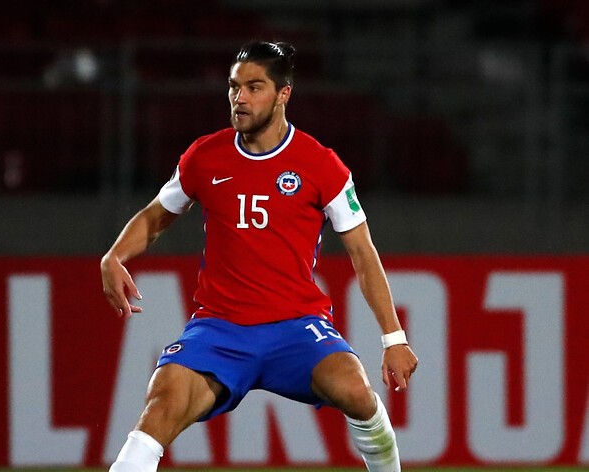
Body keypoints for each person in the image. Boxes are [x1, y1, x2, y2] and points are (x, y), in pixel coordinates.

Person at [100, 41, 419, 472]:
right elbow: (157, 216)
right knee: (160, 404)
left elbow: (362, 254)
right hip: (219, 329)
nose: (240, 98)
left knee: (358, 393)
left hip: (296, 327)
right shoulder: (205, 156)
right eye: (234, 87)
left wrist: (393, 338)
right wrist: (114, 256)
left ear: (283, 94)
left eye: (254, 87)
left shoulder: (321, 165)